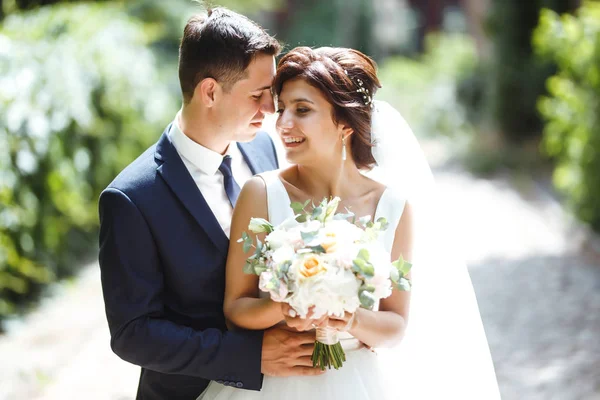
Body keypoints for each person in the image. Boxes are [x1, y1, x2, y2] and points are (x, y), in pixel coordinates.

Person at [199, 46, 501, 399]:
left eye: (302, 110)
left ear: (344, 122)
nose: (283, 123)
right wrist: (282, 306)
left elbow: (396, 324)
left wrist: (352, 319)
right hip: (277, 380)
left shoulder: (393, 207)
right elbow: (235, 308)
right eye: (282, 109)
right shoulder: (260, 193)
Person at [98, 9, 324, 400]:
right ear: (209, 92)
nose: (270, 110)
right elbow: (132, 334)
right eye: (257, 96)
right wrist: (249, 356)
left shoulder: (264, 148)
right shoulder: (131, 199)